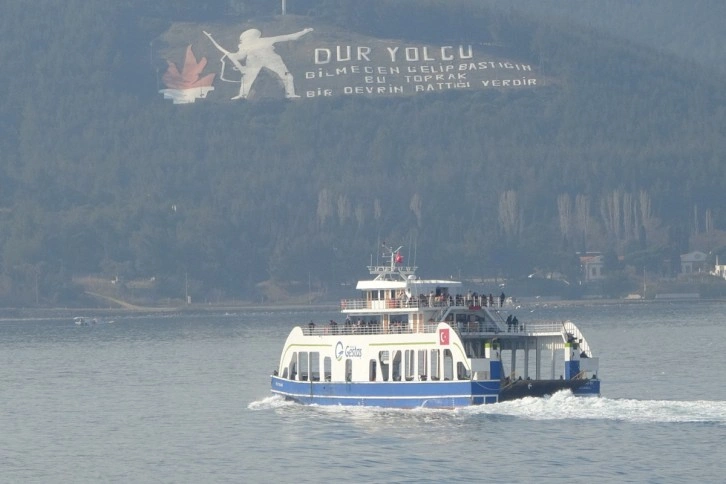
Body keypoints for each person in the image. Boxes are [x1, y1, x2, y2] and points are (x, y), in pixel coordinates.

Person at [203, 27, 313, 99]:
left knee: (286, 76)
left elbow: (290, 37)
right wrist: (232, 55)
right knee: (247, 79)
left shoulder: (261, 41)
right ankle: (242, 95)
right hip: (256, 61)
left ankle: (290, 94)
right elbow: (240, 56)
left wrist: (304, 32)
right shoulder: (247, 45)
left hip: (271, 59)